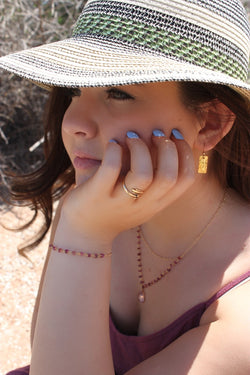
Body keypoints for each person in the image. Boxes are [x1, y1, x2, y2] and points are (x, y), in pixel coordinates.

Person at [0, 0, 250, 374]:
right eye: (73, 92)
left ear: (211, 122)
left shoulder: (242, 304)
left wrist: (84, 235)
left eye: (117, 93)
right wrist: (83, 227)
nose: (73, 123)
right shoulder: (93, 204)